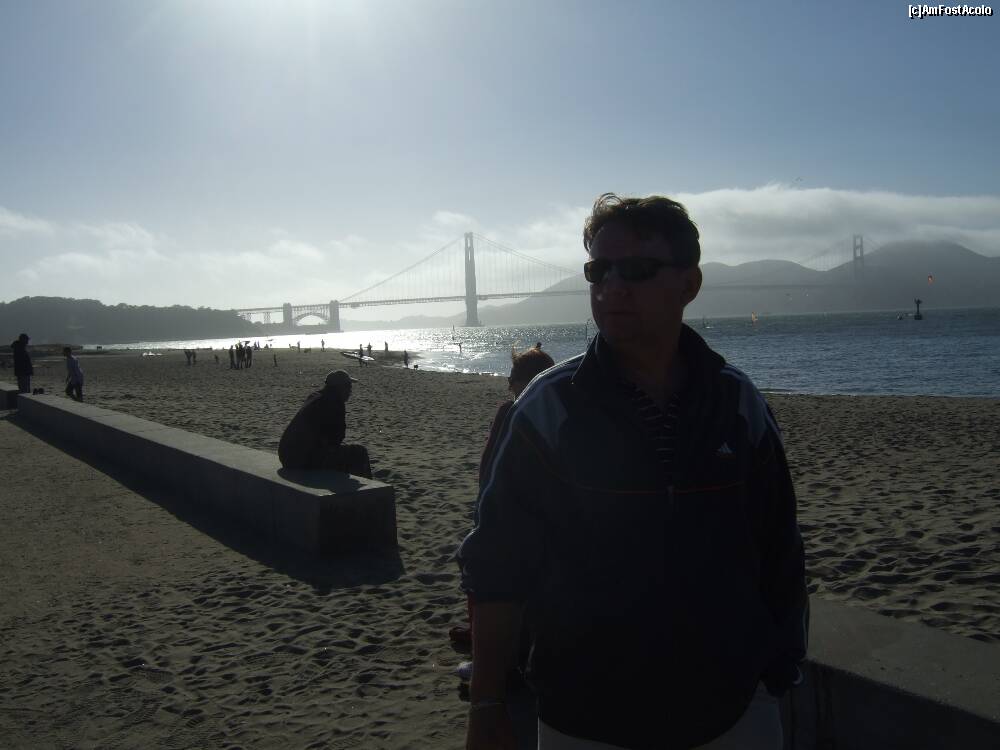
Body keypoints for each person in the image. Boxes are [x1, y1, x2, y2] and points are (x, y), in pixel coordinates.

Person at [458, 193, 807, 750]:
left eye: (638, 269)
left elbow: (780, 549)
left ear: (690, 284)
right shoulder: (548, 410)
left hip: (735, 709)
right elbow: (497, 564)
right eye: (599, 270)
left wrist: (776, 672)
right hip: (585, 717)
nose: (611, 286)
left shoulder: (737, 404)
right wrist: (486, 702)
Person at [451, 344, 556, 664]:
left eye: (513, 377)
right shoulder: (560, 414)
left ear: (529, 381)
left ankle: (487, 648)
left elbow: (490, 469)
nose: (508, 383)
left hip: (507, 515)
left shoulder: (512, 412)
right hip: (540, 519)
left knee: (481, 571)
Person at [277, 370, 373, 478]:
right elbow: (337, 438)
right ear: (340, 387)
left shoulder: (314, 396)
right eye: (348, 386)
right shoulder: (335, 402)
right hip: (300, 460)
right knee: (360, 452)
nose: (350, 391)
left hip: (286, 455)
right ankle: (368, 487)